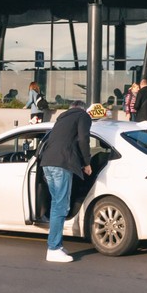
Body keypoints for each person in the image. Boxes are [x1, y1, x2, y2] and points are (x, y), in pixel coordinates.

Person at [39, 101, 94, 264]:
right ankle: (53, 248)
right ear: (83, 109)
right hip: (62, 164)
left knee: (57, 204)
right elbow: (84, 138)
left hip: (47, 163)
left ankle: (56, 245)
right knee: (60, 206)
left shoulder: (61, 119)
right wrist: (86, 162)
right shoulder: (83, 116)